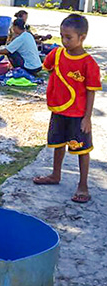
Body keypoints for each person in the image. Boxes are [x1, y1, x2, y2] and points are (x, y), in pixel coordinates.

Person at [33, 14, 102, 204]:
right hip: (58, 111)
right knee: (58, 143)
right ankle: (56, 174)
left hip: (77, 114)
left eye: (69, 37)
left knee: (82, 149)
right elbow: (46, 68)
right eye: (62, 36)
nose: (64, 41)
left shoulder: (89, 64)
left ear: (82, 37)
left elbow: (91, 92)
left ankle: (83, 185)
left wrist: (87, 118)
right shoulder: (55, 54)